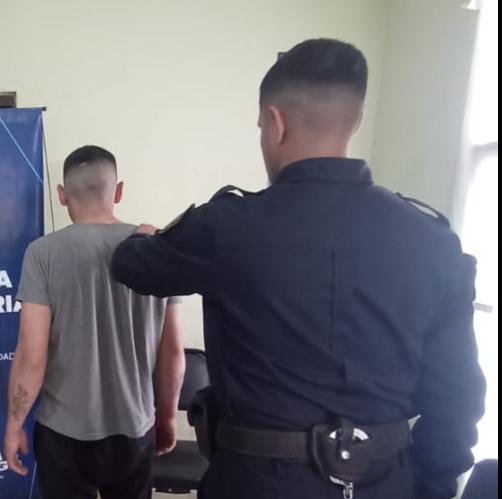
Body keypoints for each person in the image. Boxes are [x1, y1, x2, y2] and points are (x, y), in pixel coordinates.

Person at [111, 39, 487, 499]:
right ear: (356, 120)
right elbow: (457, 396)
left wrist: (140, 235)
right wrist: (427, 486)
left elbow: (131, 266)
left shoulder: (228, 227)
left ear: (275, 123)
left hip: (256, 485)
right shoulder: (433, 241)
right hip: (386, 483)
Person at [3, 145, 186, 499]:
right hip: (134, 427)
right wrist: (166, 417)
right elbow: (173, 352)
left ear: (61, 195)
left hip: (63, 434)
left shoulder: (42, 253)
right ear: (118, 192)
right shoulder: (158, 246)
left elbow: (31, 356)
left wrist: (14, 425)